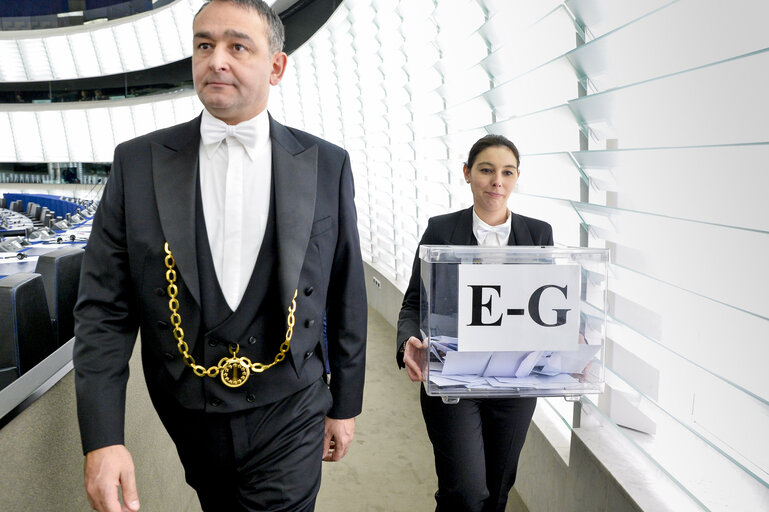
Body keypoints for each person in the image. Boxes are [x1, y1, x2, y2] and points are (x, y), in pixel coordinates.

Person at [73, 1, 367, 511]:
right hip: (187, 409)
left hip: (291, 404)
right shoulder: (136, 163)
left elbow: (345, 293)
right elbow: (103, 310)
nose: (217, 60)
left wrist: (345, 403)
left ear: (276, 66)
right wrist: (103, 437)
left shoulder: (327, 164)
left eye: (237, 46)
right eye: (204, 45)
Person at [396, 134, 553, 512]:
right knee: (464, 493)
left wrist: (567, 335)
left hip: (515, 381)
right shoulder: (441, 230)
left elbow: (549, 308)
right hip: (453, 376)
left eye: (507, 172)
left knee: (497, 492)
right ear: (467, 174)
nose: (497, 180)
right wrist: (407, 343)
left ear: (516, 178)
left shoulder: (539, 234)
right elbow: (414, 303)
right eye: (486, 170)